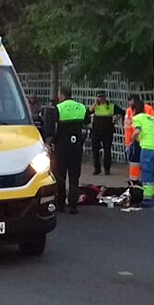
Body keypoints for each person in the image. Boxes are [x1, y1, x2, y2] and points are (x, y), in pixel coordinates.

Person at [52, 86, 87, 214]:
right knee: (74, 175)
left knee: (60, 175)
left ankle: (60, 205)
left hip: (62, 145)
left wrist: (52, 143)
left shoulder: (59, 108)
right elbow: (87, 123)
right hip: (76, 145)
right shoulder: (81, 107)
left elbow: (56, 129)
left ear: (61, 95)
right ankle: (73, 205)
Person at [132, 106, 154, 208]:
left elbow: (137, 131)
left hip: (148, 148)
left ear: (133, 111)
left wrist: (133, 141)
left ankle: (148, 199)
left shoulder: (137, 118)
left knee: (146, 172)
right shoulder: (153, 119)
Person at [123, 95, 154, 185]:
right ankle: (135, 181)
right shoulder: (129, 110)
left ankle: (144, 182)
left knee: (144, 163)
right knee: (135, 162)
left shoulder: (149, 110)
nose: (131, 108)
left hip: (145, 141)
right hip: (140, 141)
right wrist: (128, 143)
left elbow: (139, 130)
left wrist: (131, 141)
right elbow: (128, 128)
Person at [88, 93, 123, 176]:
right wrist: (95, 103)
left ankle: (107, 169)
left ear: (105, 97)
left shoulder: (111, 106)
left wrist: (115, 119)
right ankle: (97, 168)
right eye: (99, 97)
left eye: (102, 97)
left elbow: (122, 112)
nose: (101, 98)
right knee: (95, 150)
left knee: (107, 150)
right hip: (96, 131)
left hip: (107, 131)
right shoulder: (95, 106)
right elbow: (88, 112)